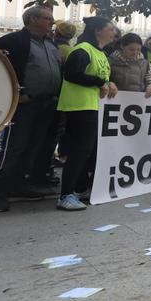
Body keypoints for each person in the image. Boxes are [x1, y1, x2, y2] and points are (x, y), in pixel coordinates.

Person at [0, 6, 62, 212]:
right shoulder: (12, 41)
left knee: (33, 145)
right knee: (15, 146)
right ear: (32, 19)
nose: (52, 22)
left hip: (47, 104)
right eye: (47, 18)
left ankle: (18, 184)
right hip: (23, 105)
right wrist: (13, 95)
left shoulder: (50, 43)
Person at [56, 16, 118, 211]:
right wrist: (100, 82)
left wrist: (109, 82)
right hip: (78, 107)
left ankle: (74, 190)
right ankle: (66, 195)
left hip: (90, 106)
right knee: (79, 151)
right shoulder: (82, 50)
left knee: (85, 152)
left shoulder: (99, 52)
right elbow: (71, 73)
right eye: (110, 29)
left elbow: (103, 76)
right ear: (97, 30)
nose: (113, 33)